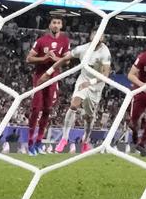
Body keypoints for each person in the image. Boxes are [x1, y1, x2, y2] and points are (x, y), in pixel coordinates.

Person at [51, 35, 112, 154]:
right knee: (74, 105)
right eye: (94, 34)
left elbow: (105, 75)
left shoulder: (105, 53)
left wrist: (90, 83)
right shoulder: (82, 48)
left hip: (96, 86)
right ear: (90, 36)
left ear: (103, 38)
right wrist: (52, 67)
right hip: (82, 81)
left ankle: (85, 140)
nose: (96, 37)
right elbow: (65, 58)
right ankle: (64, 139)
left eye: (99, 35)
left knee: (88, 118)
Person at [25, 14, 70, 155]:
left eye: (58, 23)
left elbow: (67, 60)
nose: (56, 25)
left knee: (47, 110)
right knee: (35, 109)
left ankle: (39, 143)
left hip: (53, 77)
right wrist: (44, 57)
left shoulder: (65, 41)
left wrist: (56, 59)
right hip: (40, 77)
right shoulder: (41, 41)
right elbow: (28, 58)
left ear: (61, 26)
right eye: (54, 22)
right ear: (50, 25)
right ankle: (30, 143)